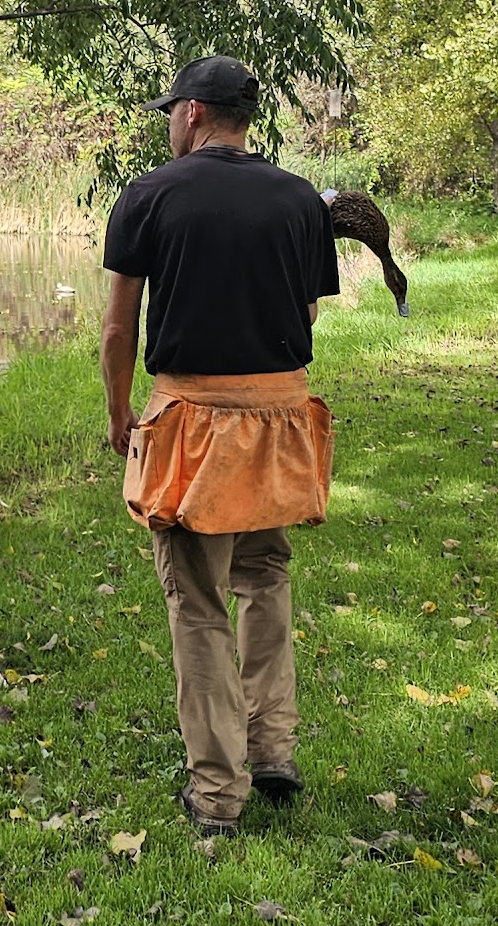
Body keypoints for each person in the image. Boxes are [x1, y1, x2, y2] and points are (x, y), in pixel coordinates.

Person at [100, 54, 339, 836]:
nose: (170, 122)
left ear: (195, 113)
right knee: (264, 575)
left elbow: (117, 328)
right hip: (278, 419)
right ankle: (273, 747)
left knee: (197, 600)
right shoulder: (301, 199)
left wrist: (119, 415)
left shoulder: (150, 196)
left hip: (192, 423)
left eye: (173, 110)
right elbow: (304, 314)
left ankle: (216, 794)